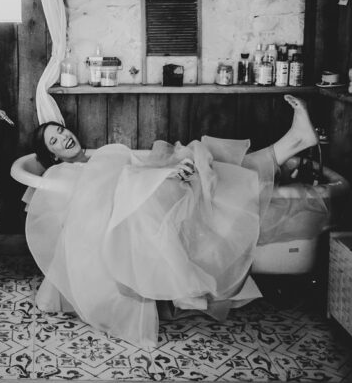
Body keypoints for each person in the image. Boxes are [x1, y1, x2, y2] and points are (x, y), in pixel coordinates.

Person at [25, 95, 323, 348]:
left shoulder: (94, 159)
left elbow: (133, 173)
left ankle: (291, 144)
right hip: (141, 212)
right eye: (55, 140)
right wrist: (164, 175)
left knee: (212, 167)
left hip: (153, 195)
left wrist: (165, 169)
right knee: (217, 180)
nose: (64, 137)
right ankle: (290, 144)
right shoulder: (62, 175)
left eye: (61, 131)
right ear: (51, 156)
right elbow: (103, 201)